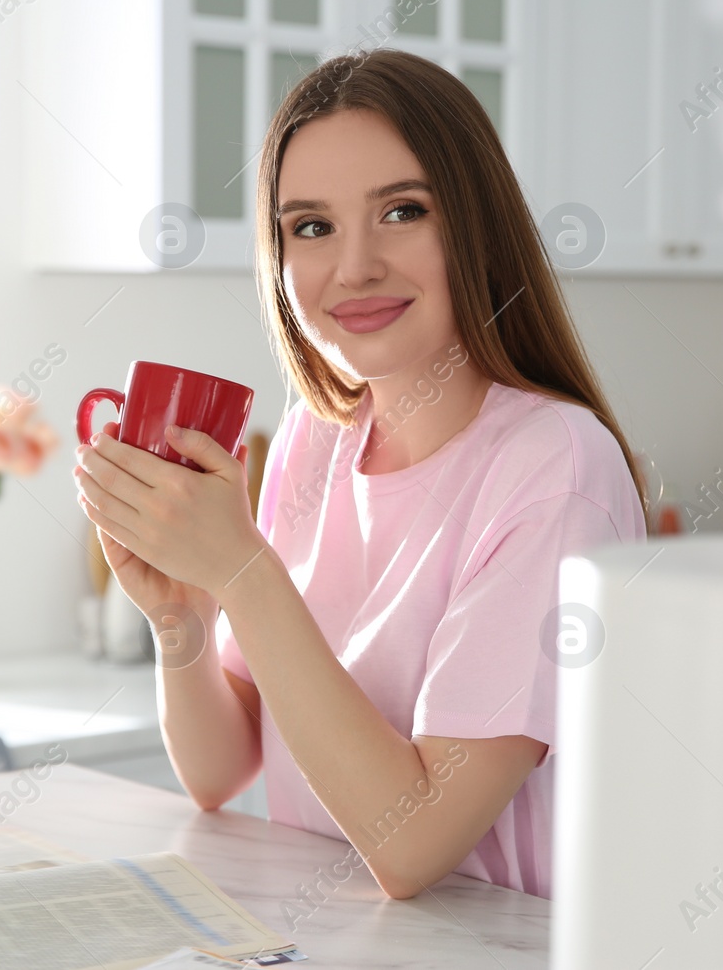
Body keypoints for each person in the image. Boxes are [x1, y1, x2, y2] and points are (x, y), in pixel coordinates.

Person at [73, 48, 648, 901]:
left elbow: (412, 844)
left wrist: (240, 568)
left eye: (403, 211)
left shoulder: (555, 467)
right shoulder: (315, 439)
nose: (353, 267)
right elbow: (220, 768)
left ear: (478, 224)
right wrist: (179, 614)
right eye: (311, 226)